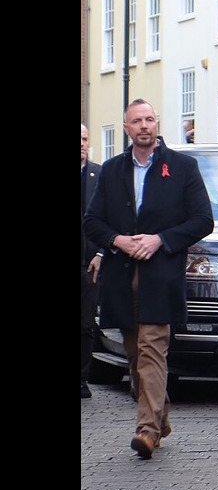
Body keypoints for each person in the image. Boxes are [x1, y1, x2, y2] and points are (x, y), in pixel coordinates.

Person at [83, 99, 215, 458]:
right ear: (126, 128)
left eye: (150, 120)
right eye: (137, 121)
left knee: (151, 349)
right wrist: (119, 240)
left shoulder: (183, 167)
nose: (144, 126)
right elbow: (92, 222)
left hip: (161, 274)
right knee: (133, 354)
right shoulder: (111, 171)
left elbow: (203, 220)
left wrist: (161, 240)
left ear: (157, 124)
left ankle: (146, 429)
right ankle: (160, 414)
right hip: (122, 276)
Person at [81, 123, 103, 399]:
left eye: (85, 139)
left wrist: (100, 253)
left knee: (85, 323)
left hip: (90, 263)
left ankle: (82, 378)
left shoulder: (100, 176)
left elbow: (108, 218)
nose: (82, 144)